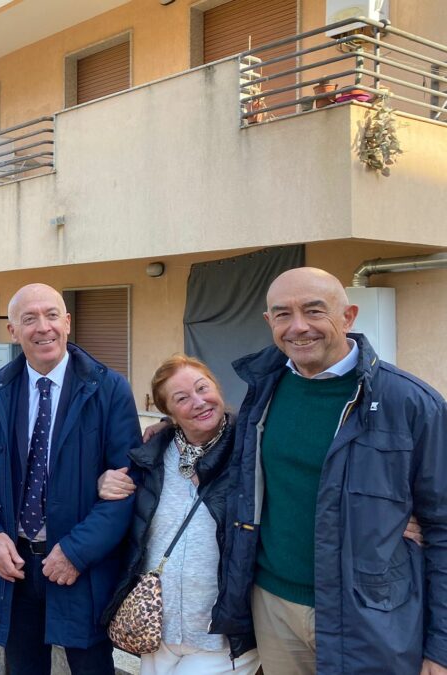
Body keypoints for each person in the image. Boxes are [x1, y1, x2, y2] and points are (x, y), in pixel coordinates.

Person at [211, 267, 447, 675]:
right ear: (270, 323)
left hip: (372, 615)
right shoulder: (262, 391)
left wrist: (440, 647)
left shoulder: (410, 403)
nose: (298, 327)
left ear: (348, 316)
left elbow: (442, 526)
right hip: (274, 608)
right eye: (283, 314)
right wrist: (163, 436)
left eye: (314, 311)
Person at [0, 283, 142, 675]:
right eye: (29, 319)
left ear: (68, 322)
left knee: (92, 667)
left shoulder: (108, 389)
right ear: (12, 331)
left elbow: (127, 487)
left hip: (83, 567)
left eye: (52, 315)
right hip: (15, 567)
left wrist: (76, 551)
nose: (43, 328)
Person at [96, 355, 259, 674]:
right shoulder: (152, 456)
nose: (199, 402)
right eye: (182, 398)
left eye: (202, 388)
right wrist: (102, 482)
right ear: (168, 413)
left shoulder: (251, 446)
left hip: (222, 636)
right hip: (158, 626)